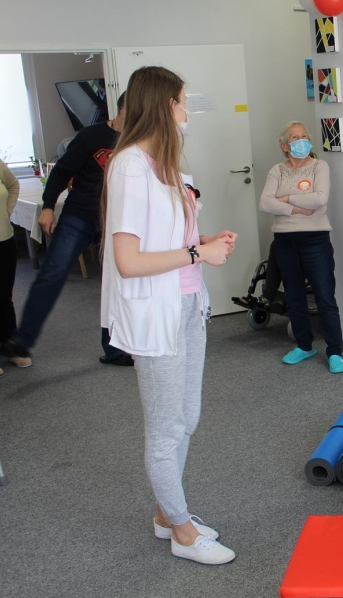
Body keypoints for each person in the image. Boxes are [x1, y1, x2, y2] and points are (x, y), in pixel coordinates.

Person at [101, 66, 237, 565]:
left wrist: (202, 242)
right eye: (182, 102)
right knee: (165, 429)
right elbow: (128, 260)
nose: (186, 111)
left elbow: (169, 240)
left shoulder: (167, 166)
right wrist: (199, 255)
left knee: (187, 418)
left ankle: (166, 513)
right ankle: (181, 529)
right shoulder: (130, 167)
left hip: (186, 304)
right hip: (154, 313)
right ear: (163, 106)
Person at [4, 92, 133, 367]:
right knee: (52, 274)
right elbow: (62, 172)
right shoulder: (90, 137)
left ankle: (113, 349)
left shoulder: (138, 141)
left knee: (115, 284)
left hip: (116, 221)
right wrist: (48, 206)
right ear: (122, 109)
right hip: (79, 215)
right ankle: (22, 341)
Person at [259, 121, 343, 374]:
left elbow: (320, 198)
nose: (301, 141)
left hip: (315, 239)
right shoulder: (277, 171)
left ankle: (335, 352)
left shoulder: (320, 166)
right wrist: (297, 208)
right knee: (294, 296)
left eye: (304, 136)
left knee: (324, 296)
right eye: (295, 138)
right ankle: (304, 345)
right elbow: (265, 203)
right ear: (284, 145)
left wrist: (284, 199)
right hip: (285, 241)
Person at [0, 151, 20, 376]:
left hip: (2, 241)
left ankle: (10, 343)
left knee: (2, 297)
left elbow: (13, 185)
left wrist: (6, 212)